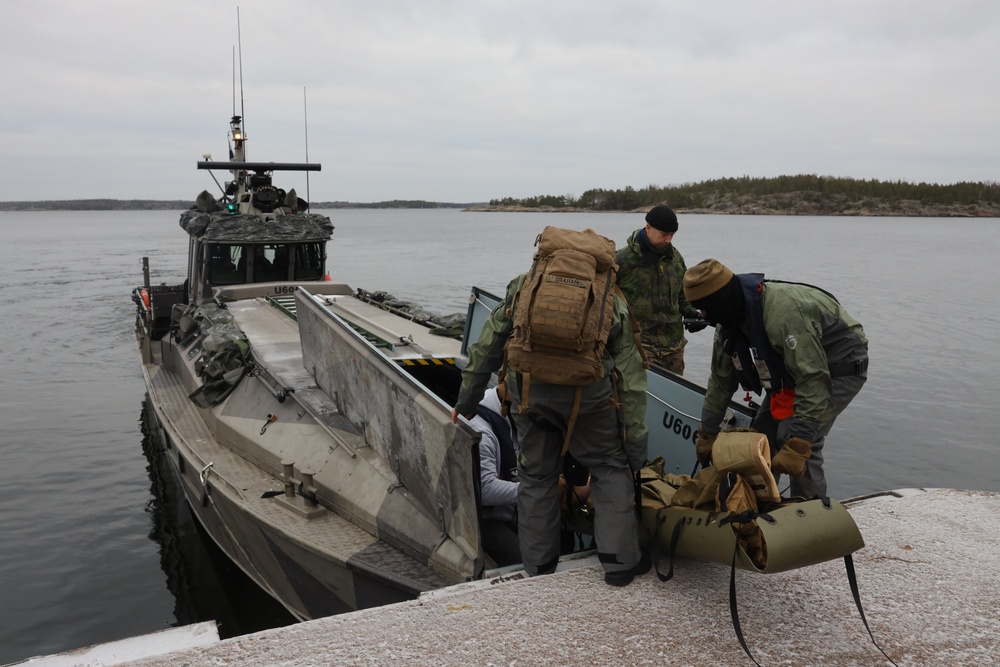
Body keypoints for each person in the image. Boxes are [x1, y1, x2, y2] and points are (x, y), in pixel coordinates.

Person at [452, 227, 650, 586]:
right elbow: (632, 378)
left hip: (531, 397)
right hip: (589, 398)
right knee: (608, 468)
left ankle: (539, 568)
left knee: (535, 477)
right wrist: (635, 446)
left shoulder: (526, 284)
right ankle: (619, 565)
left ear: (544, 256)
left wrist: (466, 403)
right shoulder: (610, 295)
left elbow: (486, 346)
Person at [683, 259, 869, 499]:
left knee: (796, 439)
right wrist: (707, 433)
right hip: (793, 370)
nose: (704, 315)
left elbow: (813, 378)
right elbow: (720, 381)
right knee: (759, 439)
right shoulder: (727, 322)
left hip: (839, 366)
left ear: (721, 300)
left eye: (705, 309)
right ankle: (762, 505)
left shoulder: (783, 312)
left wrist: (800, 440)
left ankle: (811, 513)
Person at [615, 204, 705, 375]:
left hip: (675, 346)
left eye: (672, 235)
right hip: (640, 346)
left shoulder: (675, 258)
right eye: (664, 234)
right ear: (648, 228)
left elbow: (682, 292)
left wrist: (691, 312)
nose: (668, 239)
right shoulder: (622, 260)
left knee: (674, 396)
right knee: (641, 397)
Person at [469, 386, 522, 567]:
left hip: (514, 511)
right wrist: (538, 491)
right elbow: (484, 489)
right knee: (523, 562)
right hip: (486, 521)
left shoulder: (513, 418)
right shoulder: (481, 432)